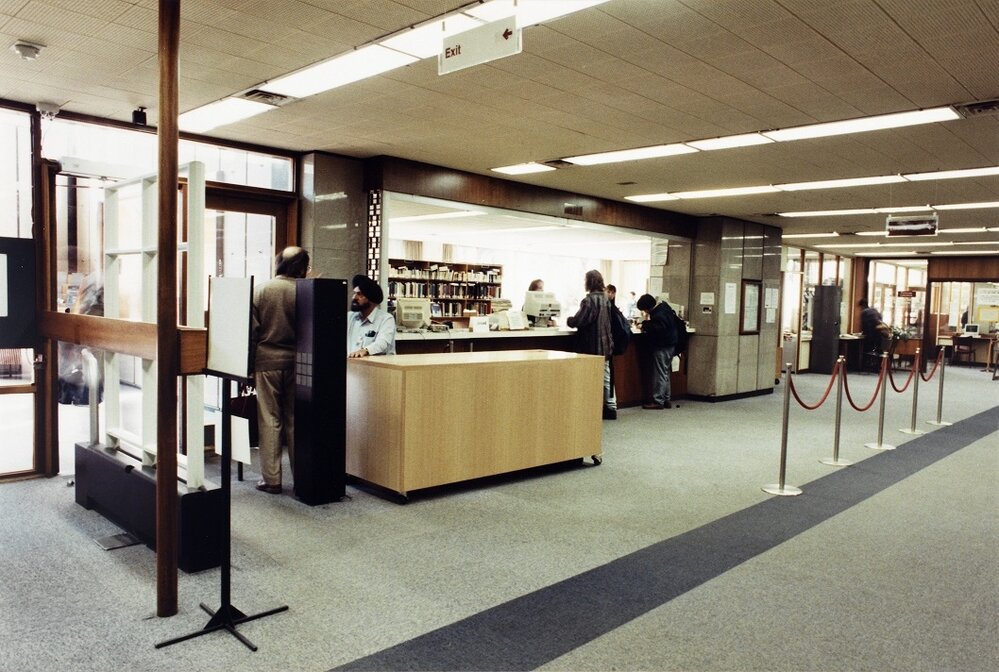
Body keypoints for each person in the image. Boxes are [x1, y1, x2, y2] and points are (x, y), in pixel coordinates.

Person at [251, 246, 309, 495]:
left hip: (266, 362)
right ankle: (302, 478)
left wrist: (248, 367)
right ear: (302, 267)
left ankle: (272, 480)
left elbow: (252, 333)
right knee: (294, 420)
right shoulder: (306, 292)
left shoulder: (261, 290)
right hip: (298, 363)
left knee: (269, 420)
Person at [566, 269, 616, 420]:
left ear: (589, 282)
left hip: (592, 344)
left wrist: (569, 321)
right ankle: (610, 406)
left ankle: (589, 407)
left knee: (589, 376)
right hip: (606, 343)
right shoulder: (606, 298)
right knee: (606, 376)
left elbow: (580, 320)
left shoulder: (589, 300)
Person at [637, 293, 677, 409]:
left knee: (660, 372)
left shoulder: (658, 315)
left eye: (644, 309)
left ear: (647, 307)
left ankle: (658, 400)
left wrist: (644, 325)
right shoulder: (664, 308)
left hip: (662, 345)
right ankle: (666, 398)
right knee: (665, 372)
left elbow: (657, 329)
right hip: (671, 344)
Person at [348, 274, 396, 357]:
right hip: (352, 367)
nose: (354, 297)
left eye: (359, 294)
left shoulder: (386, 319)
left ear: (371, 299)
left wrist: (365, 350)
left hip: (377, 368)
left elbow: (382, 344)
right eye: (355, 293)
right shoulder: (349, 317)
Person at [858, 298, 885, 370]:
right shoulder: (874, 310)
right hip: (879, 334)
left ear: (862, 305)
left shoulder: (864, 312)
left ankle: (865, 366)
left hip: (871, 335)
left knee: (865, 349)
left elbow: (864, 325)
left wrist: (863, 333)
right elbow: (880, 319)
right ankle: (879, 367)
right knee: (879, 350)